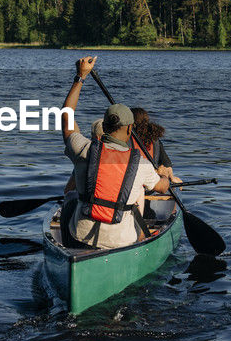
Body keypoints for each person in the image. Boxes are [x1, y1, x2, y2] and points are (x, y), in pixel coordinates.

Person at [60, 56, 173, 249]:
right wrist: (166, 179)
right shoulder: (141, 165)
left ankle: (67, 252)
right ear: (130, 130)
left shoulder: (83, 148)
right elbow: (162, 187)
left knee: (70, 200)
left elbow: (66, 114)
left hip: (80, 238)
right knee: (137, 207)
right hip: (121, 242)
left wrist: (80, 77)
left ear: (103, 126)